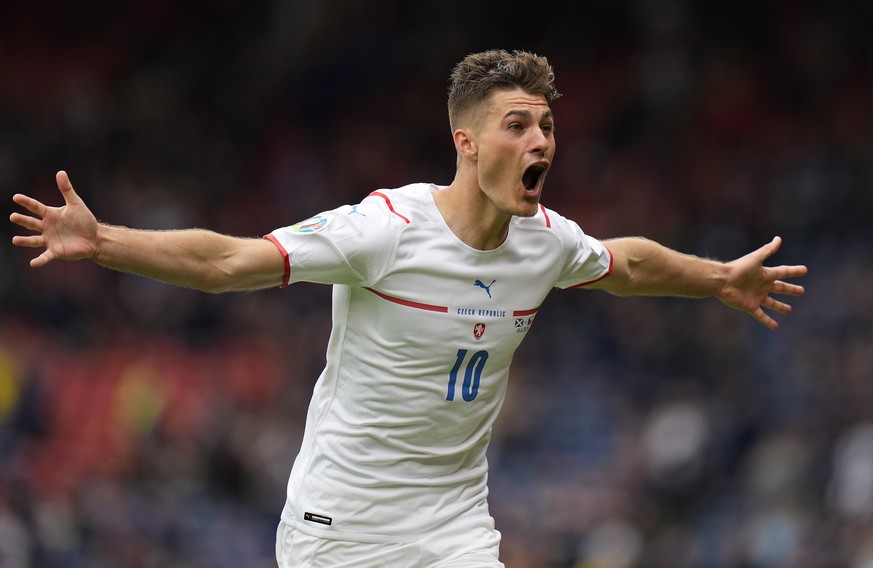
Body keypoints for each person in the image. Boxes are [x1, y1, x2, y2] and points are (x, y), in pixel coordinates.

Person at [10, 49, 806, 567]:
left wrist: (716, 279)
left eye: (548, 126)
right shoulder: (383, 230)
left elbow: (624, 263)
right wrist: (105, 239)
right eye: (517, 126)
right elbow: (226, 262)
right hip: (341, 530)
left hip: (452, 528)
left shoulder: (545, 240)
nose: (541, 143)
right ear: (465, 142)